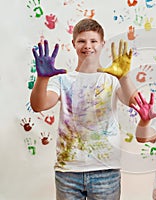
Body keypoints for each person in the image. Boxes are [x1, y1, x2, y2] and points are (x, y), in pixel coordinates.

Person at [30, 18, 137, 200]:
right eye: (82, 41)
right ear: (73, 44)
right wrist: (42, 79)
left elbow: (133, 102)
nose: (88, 46)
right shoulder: (62, 80)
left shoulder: (111, 79)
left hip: (106, 171)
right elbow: (39, 105)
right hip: (68, 171)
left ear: (102, 44)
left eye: (93, 41)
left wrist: (124, 78)